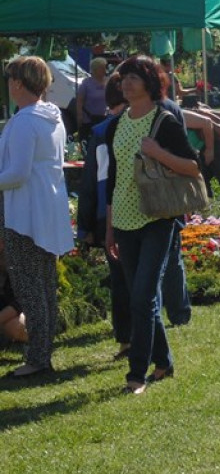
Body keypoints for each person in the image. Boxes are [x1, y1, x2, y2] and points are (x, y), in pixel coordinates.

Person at [105, 55, 200, 395]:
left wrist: (158, 153)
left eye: (133, 77)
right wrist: (110, 226)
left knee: (143, 295)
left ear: (149, 81)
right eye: (123, 77)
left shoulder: (164, 120)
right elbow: (114, 178)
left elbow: (193, 166)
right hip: (126, 220)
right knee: (139, 295)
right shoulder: (117, 124)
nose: (126, 83)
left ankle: (136, 375)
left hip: (159, 217)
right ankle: (164, 361)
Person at [0, 57, 73, 379]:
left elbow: (16, 173)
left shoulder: (25, 121)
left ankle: (38, 358)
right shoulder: (52, 117)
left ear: (17, 83)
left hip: (25, 214)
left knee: (31, 290)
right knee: (43, 287)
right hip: (46, 209)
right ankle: (42, 353)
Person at [76, 73, 133, 359]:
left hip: (107, 214)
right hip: (141, 210)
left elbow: (89, 185)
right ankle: (145, 337)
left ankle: (126, 340)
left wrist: (84, 226)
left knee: (120, 280)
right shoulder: (142, 124)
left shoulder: (100, 132)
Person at [0, 238, 28, 345]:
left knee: (15, 326)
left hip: (16, 312)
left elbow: (21, 301)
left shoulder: (17, 259)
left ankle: (34, 340)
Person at [76, 56, 109, 145]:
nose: (104, 69)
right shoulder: (86, 83)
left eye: (105, 67)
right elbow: (79, 100)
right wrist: (79, 116)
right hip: (89, 120)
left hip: (104, 119)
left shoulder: (108, 81)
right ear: (95, 69)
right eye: (102, 67)